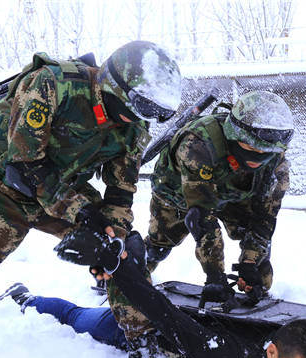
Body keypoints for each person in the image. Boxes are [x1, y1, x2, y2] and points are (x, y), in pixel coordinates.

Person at [0, 41, 182, 320]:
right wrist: (83, 211)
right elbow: (23, 167)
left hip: (62, 186)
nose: (145, 118)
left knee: (124, 254)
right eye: (143, 108)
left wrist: (112, 237)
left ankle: (143, 340)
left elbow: (121, 193)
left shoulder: (135, 128)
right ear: (117, 88)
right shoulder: (53, 86)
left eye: (155, 112)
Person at [0, 232, 306, 358]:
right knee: (76, 318)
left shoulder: (274, 346)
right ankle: (25, 298)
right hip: (139, 329)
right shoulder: (224, 356)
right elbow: (161, 311)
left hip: (186, 323)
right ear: (273, 352)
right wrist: (119, 268)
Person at [101, 90, 294, 343]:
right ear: (236, 135)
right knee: (158, 246)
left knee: (258, 259)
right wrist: (214, 275)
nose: (258, 157)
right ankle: (124, 282)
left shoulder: (276, 165)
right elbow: (201, 217)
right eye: (251, 148)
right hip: (178, 194)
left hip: (234, 195)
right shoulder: (199, 143)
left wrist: (249, 262)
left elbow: (265, 220)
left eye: (264, 152)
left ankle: (256, 290)